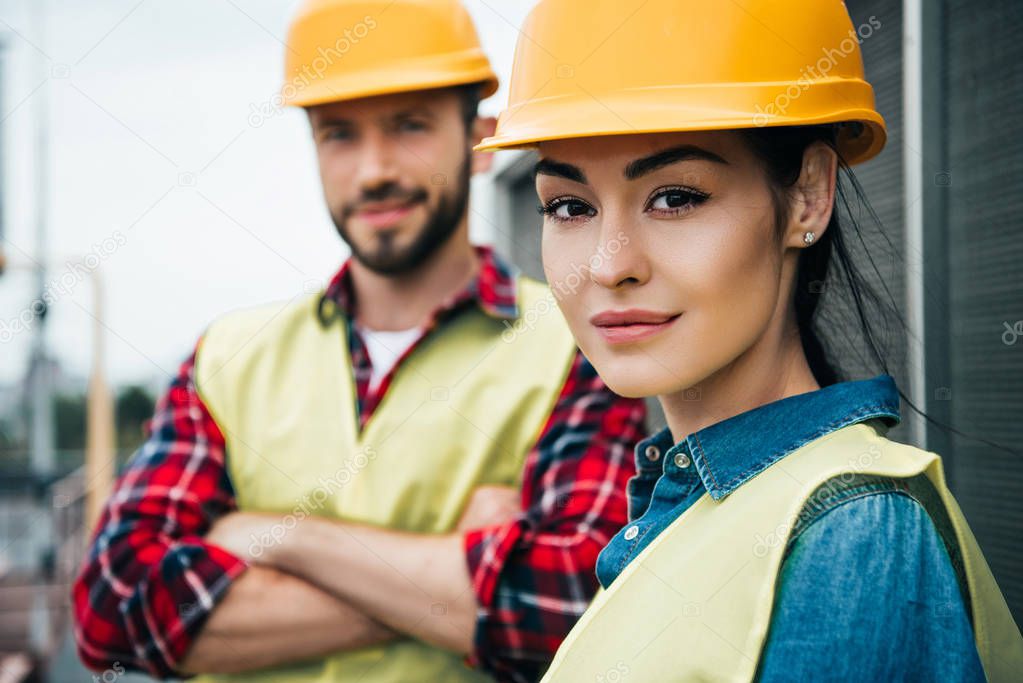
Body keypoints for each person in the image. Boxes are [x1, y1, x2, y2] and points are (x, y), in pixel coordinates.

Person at [71, 2, 646, 681]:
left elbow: (578, 603)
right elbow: (113, 611)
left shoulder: (578, 342)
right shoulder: (226, 358)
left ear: (479, 138)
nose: (373, 170)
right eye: (339, 134)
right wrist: (455, 572)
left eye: (409, 126)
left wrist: (273, 537)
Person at [476, 0, 1023, 681]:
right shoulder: (698, 506)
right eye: (569, 206)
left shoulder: (849, 534)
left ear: (806, 198)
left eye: (674, 196)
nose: (608, 264)